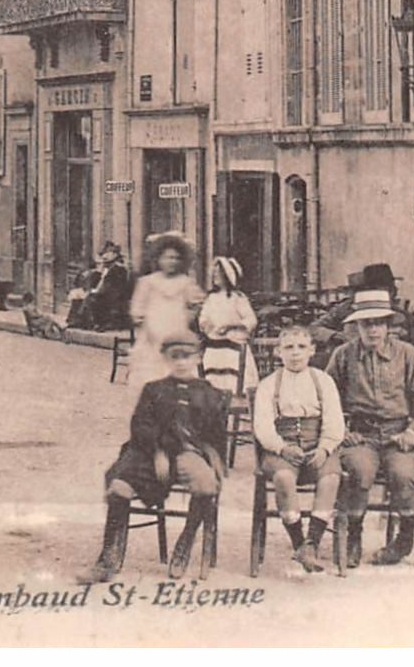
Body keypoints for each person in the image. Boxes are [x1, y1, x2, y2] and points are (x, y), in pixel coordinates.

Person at [78, 332, 226, 583]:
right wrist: (158, 451)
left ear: (199, 358)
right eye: (174, 357)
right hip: (150, 453)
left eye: (186, 356)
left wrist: (214, 457)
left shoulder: (209, 393)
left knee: (206, 483)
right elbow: (141, 426)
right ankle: (108, 559)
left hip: (189, 453)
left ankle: (185, 542)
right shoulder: (154, 389)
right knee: (119, 487)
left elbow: (216, 434)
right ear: (166, 359)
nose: (180, 362)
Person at [326, 288, 414, 567]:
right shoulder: (344, 355)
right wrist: (342, 431)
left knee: (403, 475)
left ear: (389, 326)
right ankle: (353, 536)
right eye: (366, 324)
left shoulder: (407, 354)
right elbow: (326, 398)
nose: (373, 330)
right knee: (359, 472)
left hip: (398, 435)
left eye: (379, 323)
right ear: (356, 327)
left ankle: (404, 540)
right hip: (361, 436)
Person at [253, 324, 345, 573]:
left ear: (312, 350)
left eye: (301, 347)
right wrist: (281, 448)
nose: (295, 353)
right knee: (283, 478)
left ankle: (312, 543)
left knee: (331, 478)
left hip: (317, 446)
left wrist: (325, 448)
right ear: (278, 353)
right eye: (288, 347)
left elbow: (335, 420)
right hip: (282, 449)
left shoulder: (323, 381)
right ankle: (298, 542)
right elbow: (262, 426)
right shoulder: (269, 384)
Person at [126, 232, 206, 387]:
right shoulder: (148, 282)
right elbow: (137, 310)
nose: (172, 262)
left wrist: (186, 318)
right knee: (151, 378)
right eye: (168, 257)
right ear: (158, 259)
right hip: (151, 339)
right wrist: (145, 323)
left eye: (176, 258)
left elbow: (196, 304)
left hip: (177, 336)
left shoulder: (185, 283)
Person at [199, 256, 261, 394]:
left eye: (219, 274)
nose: (215, 277)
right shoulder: (211, 298)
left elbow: (251, 321)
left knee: (234, 384)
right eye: (214, 274)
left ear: (227, 276)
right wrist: (208, 326)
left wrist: (230, 325)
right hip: (214, 348)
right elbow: (203, 320)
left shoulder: (237, 298)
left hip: (234, 349)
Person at [81, 242, 133, 331]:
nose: (105, 256)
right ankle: (83, 322)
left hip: (115, 296)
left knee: (92, 298)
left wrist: (97, 291)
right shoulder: (105, 269)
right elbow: (97, 282)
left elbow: (114, 287)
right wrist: (97, 272)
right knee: (85, 296)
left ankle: (98, 323)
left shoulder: (119, 269)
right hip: (106, 293)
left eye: (109, 253)